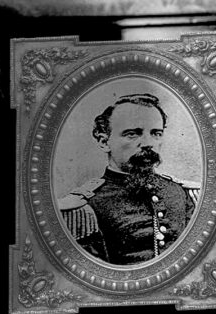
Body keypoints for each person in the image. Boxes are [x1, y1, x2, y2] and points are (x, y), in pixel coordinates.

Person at [59, 93, 198, 265]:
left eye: (156, 133)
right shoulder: (84, 208)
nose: (148, 143)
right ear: (104, 142)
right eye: (132, 134)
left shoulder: (181, 193)